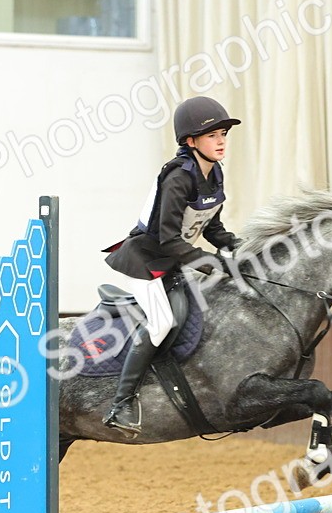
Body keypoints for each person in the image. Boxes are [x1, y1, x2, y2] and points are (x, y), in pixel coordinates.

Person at [100, 96, 244, 434]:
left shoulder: (215, 172)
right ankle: (121, 403)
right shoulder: (179, 177)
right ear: (191, 141)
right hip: (146, 259)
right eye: (212, 136)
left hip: (174, 260)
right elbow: (167, 237)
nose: (221, 141)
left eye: (223, 133)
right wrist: (206, 262)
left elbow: (210, 226)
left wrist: (234, 244)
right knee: (163, 322)